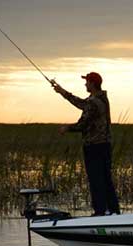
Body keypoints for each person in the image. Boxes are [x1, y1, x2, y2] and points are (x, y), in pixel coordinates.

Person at [54, 72, 120, 216]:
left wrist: (67, 128)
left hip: (94, 146)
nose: (85, 84)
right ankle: (113, 210)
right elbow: (82, 104)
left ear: (92, 83)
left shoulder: (94, 102)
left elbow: (83, 124)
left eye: (87, 82)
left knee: (96, 179)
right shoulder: (101, 99)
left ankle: (100, 212)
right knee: (106, 178)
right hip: (105, 145)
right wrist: (62, 92)